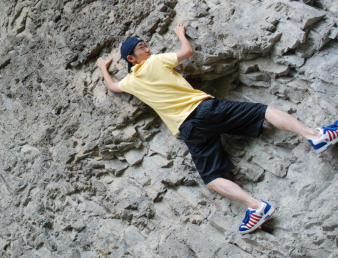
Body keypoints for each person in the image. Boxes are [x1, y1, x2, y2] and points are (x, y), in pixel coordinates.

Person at [96, 24, 338, 234]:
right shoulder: (155, 62)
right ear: (132, 58)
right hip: (203, 111)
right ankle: (316, 136)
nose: (148, 49)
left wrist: (102, 68)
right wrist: (180, 34)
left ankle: (256, 207)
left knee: (211, 178)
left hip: (188, 129)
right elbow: (187, 52)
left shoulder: (131, 81)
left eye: (146, 45)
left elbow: (113, 85)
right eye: (142, 48)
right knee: (264, 111)